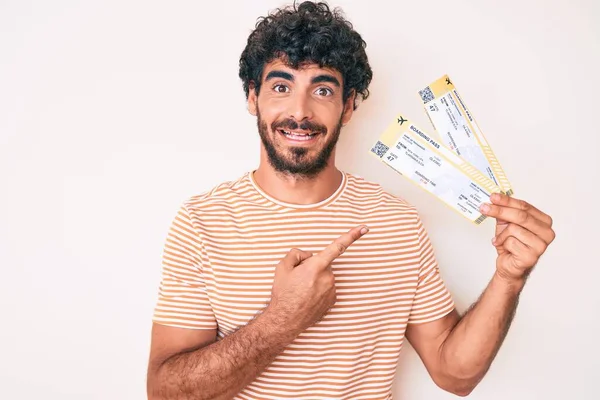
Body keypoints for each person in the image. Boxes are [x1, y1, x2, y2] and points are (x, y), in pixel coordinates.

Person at [145, 2, 556, 399]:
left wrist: (509, 278)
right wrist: (281, 321)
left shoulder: (398, 223)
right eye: (281, 86)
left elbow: (455, 375)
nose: (300, 111)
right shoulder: (202, 222)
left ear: (348, 106)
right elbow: (164, 393)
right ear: (253, 97)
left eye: (322, 89)